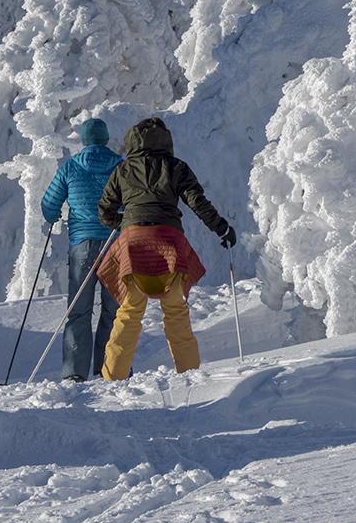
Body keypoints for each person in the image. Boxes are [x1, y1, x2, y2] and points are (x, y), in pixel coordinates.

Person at [95, 116, 236, 381]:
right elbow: (197, 202)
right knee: (176, 310)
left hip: (133, 244)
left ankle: (113, 376)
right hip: (168, 241)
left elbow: (104, 212)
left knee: (129, 313)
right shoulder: (176, 166)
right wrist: (222, 229)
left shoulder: (123, 170)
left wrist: (127, 224)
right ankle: (189, 373)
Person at [41, 118, 123, 382]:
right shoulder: (122, 168)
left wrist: (54, 215)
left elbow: (49, 205)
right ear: (106, 138)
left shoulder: (71, 167)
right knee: (113, 309)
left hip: (82, 244)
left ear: (85, 140)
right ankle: (107, 368)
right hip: (115, 242)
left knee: (79, 309)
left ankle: (75, 372)